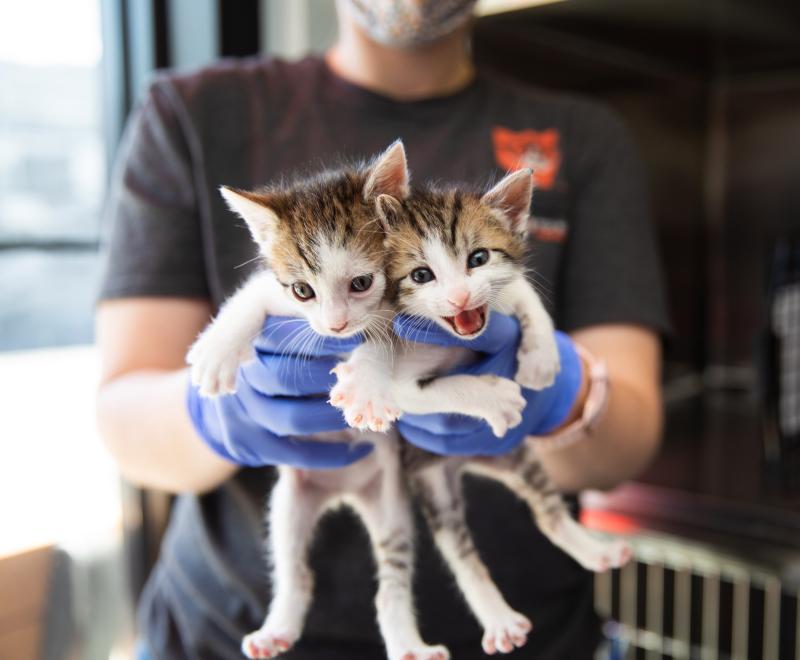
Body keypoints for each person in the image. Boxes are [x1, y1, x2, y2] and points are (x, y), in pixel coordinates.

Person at [96, 1, 668, 658]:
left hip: (532, 633)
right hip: (220, 629)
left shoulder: (585, 135)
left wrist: (560, 392)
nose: (334, 316)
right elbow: (120, 415)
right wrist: (218, 409)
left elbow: (632, 439)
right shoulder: (191, 111)